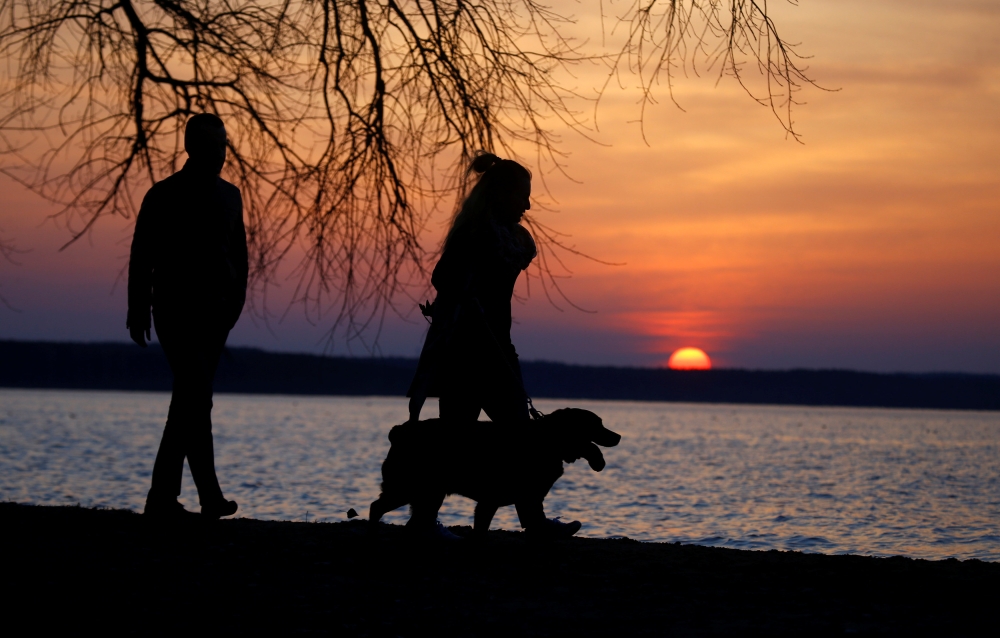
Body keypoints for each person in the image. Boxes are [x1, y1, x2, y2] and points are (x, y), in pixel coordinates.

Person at [406, 152, 580, 538]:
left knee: (520, 437)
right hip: (464, 353)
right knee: (456, 439)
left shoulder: (511, 239)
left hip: (499, 349)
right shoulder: (473, 234)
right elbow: (443, 276)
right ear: (500, 193)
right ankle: (422, 521)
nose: (528, 205)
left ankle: (533, 522)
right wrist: (465, 297)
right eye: (522, 195)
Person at [127, 113, 247, 519]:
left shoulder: (232, 196)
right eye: (213, 145)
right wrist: (137, 306)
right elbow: (143, 254)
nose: (220, 153)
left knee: (193, 401)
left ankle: (166, 497)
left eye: (223, 145)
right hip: (175, 311)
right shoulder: (163, 195)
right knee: (194, 396)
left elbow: (240, 255)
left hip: (216, 315)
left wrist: (235, 304)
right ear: (191, 147)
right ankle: (201, 496)